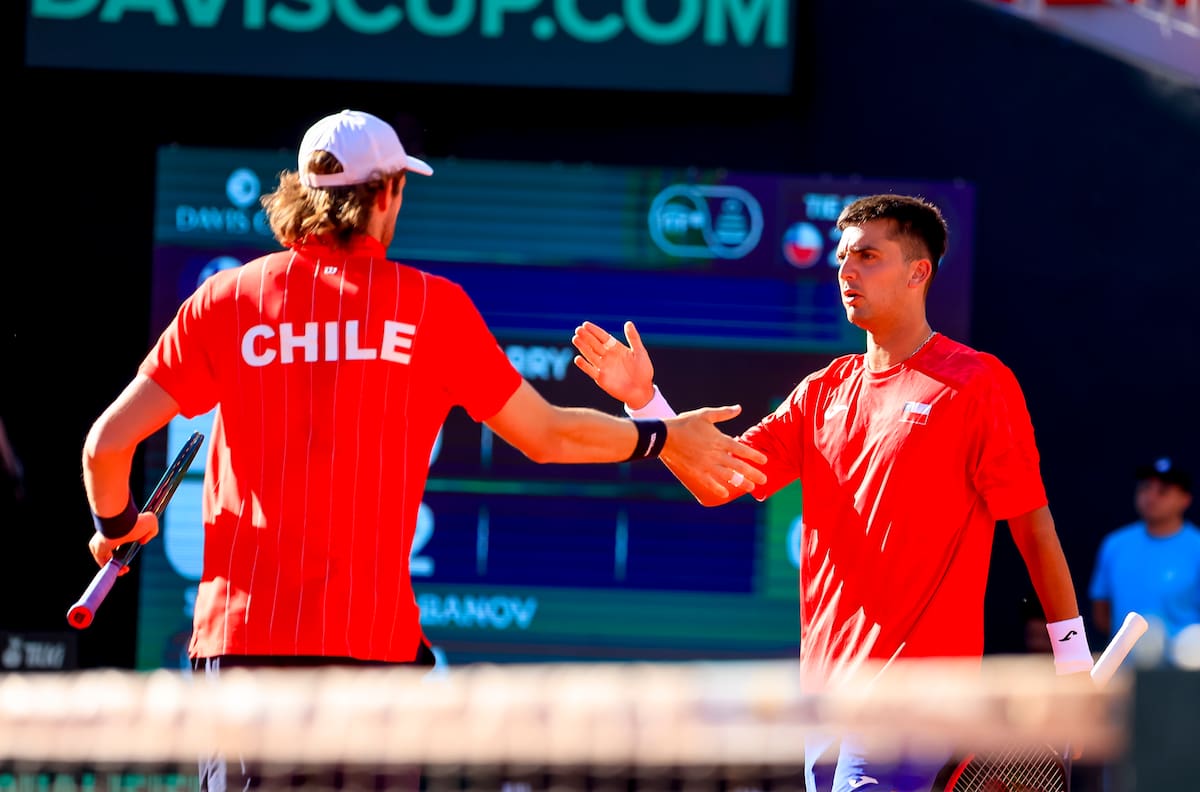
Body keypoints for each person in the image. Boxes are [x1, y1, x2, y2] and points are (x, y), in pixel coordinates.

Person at [80, 109, 767, 792]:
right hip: (372, 664)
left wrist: (118, 528)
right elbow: (549, 436)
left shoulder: (227, 301)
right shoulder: (431, 309)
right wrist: (662, 434)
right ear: (385, 194)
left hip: (242, 655)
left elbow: (105, 447)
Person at [571, 194, 1092, 792]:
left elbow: (1033, 526)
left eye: (868, 256)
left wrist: (1072, 658)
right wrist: (645, 402)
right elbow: (718, 482)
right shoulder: (822, 391)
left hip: (916, 700)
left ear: (918, 272)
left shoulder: (979, 384)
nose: (846, 271)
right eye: (843, 257)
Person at [1089, 456, 1199, 667]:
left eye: (1163, 490)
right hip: (1124, 676)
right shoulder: (1115, 544)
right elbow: (1101, 612)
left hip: (1185, 678)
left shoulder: (1196, 547)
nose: (1151, 496)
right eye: (1145, 488)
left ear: (1185, 499)